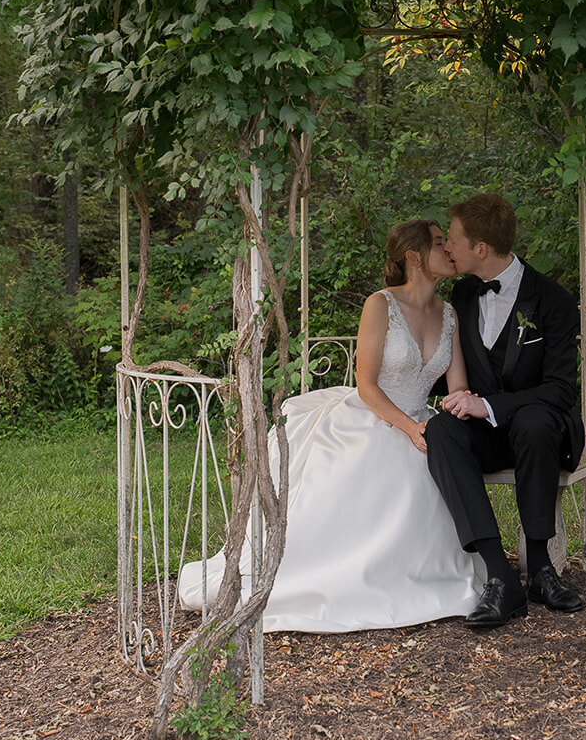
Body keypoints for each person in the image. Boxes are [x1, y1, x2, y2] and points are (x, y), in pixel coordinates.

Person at [177, 220, 483, 631]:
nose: (449, 250)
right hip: (375, 416)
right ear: (413, 257)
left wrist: (460, 405)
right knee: (398, 468)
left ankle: (419, 573)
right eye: (440, 243)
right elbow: (367, 385)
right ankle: (349, 577)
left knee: (436, 464)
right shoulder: (380, 304)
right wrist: (408, 429)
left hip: (423, 420)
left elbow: (457, 383)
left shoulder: (449, 314)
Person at [425, 193, 586, 629]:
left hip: (541, 429)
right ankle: (500, 576)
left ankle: (540, 568)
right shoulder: (461, 293)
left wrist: (489, 405)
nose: (447, 249)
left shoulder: (552, 299)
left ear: (479, 249)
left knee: (534, 423)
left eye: (452, 240)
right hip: (489, 436)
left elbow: (560, 390)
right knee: (441, 431)